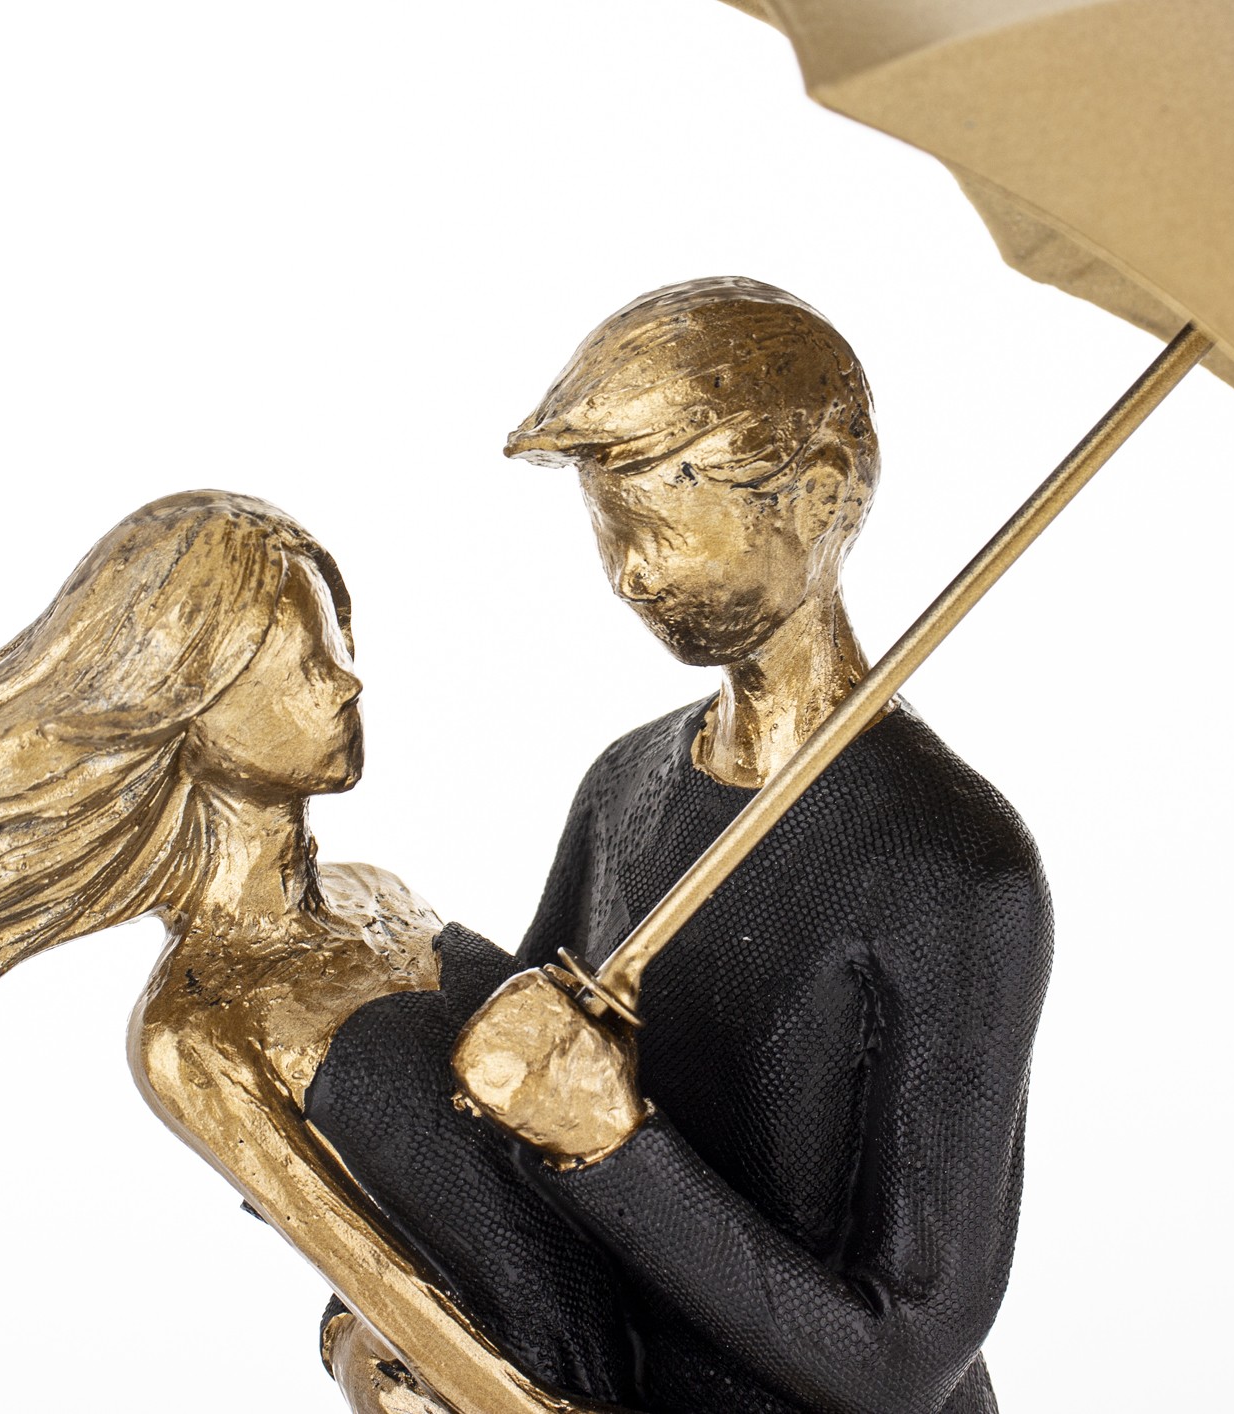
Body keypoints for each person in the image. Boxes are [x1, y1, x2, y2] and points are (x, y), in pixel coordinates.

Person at [0, 490, 623, 1414]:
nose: (346, 680)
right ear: (188, 703)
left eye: (340, 645)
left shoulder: (379, 891)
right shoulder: (197, 1035)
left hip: (666, 1261)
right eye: (302, 659)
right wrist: (370, 1351)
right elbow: (393, 1293)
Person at [311, 278, 1054, 1414]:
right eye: (607, 525)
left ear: (821, 493)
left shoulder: (954, 870)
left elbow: (901, 1363)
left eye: (660, 522)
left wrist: (614, 1144)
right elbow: (513, 1142)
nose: (630, 571)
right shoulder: (627, 785)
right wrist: (378, 1314)